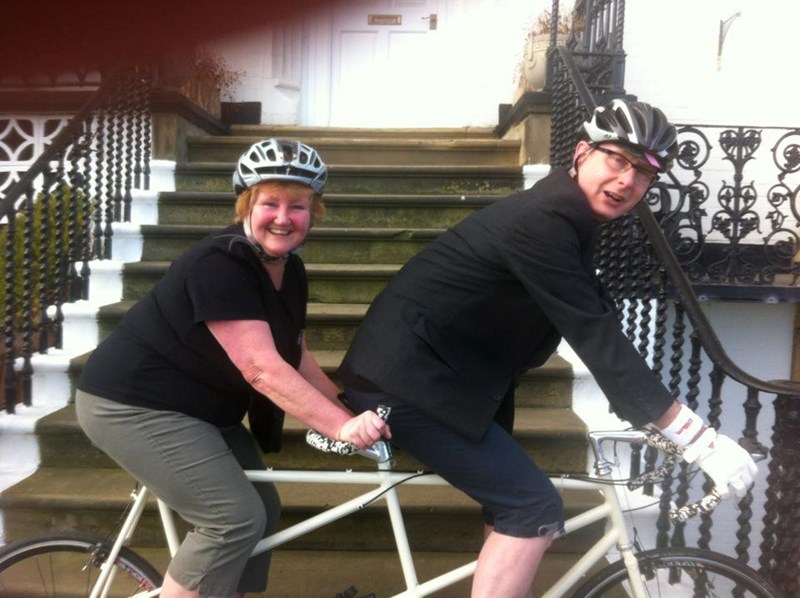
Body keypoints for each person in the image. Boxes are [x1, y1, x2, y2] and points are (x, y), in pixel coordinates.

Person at [338, 99, 758, 598]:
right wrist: (698, 438)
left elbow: (597, 317)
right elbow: (593, 333)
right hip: (408, 382)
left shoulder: (568, 220)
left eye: (644, 173)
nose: (627, 181)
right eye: (617, 159)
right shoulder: (542, 220)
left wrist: (650, 414)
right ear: (581, 153)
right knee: (531, 507)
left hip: (455, 379)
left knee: (511, 508)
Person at [75, 138, 391, 598]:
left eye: (297, 206)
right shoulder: (220, 263)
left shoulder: (290, 270)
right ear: (247, 205)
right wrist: (342, 428)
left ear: (314, 212)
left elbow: (295, 356)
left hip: (204, 411)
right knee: (232, 520)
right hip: (135, 405)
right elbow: (260, 368)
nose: (283, 218)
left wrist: (348, 409)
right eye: (270, 203)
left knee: (262, 508)